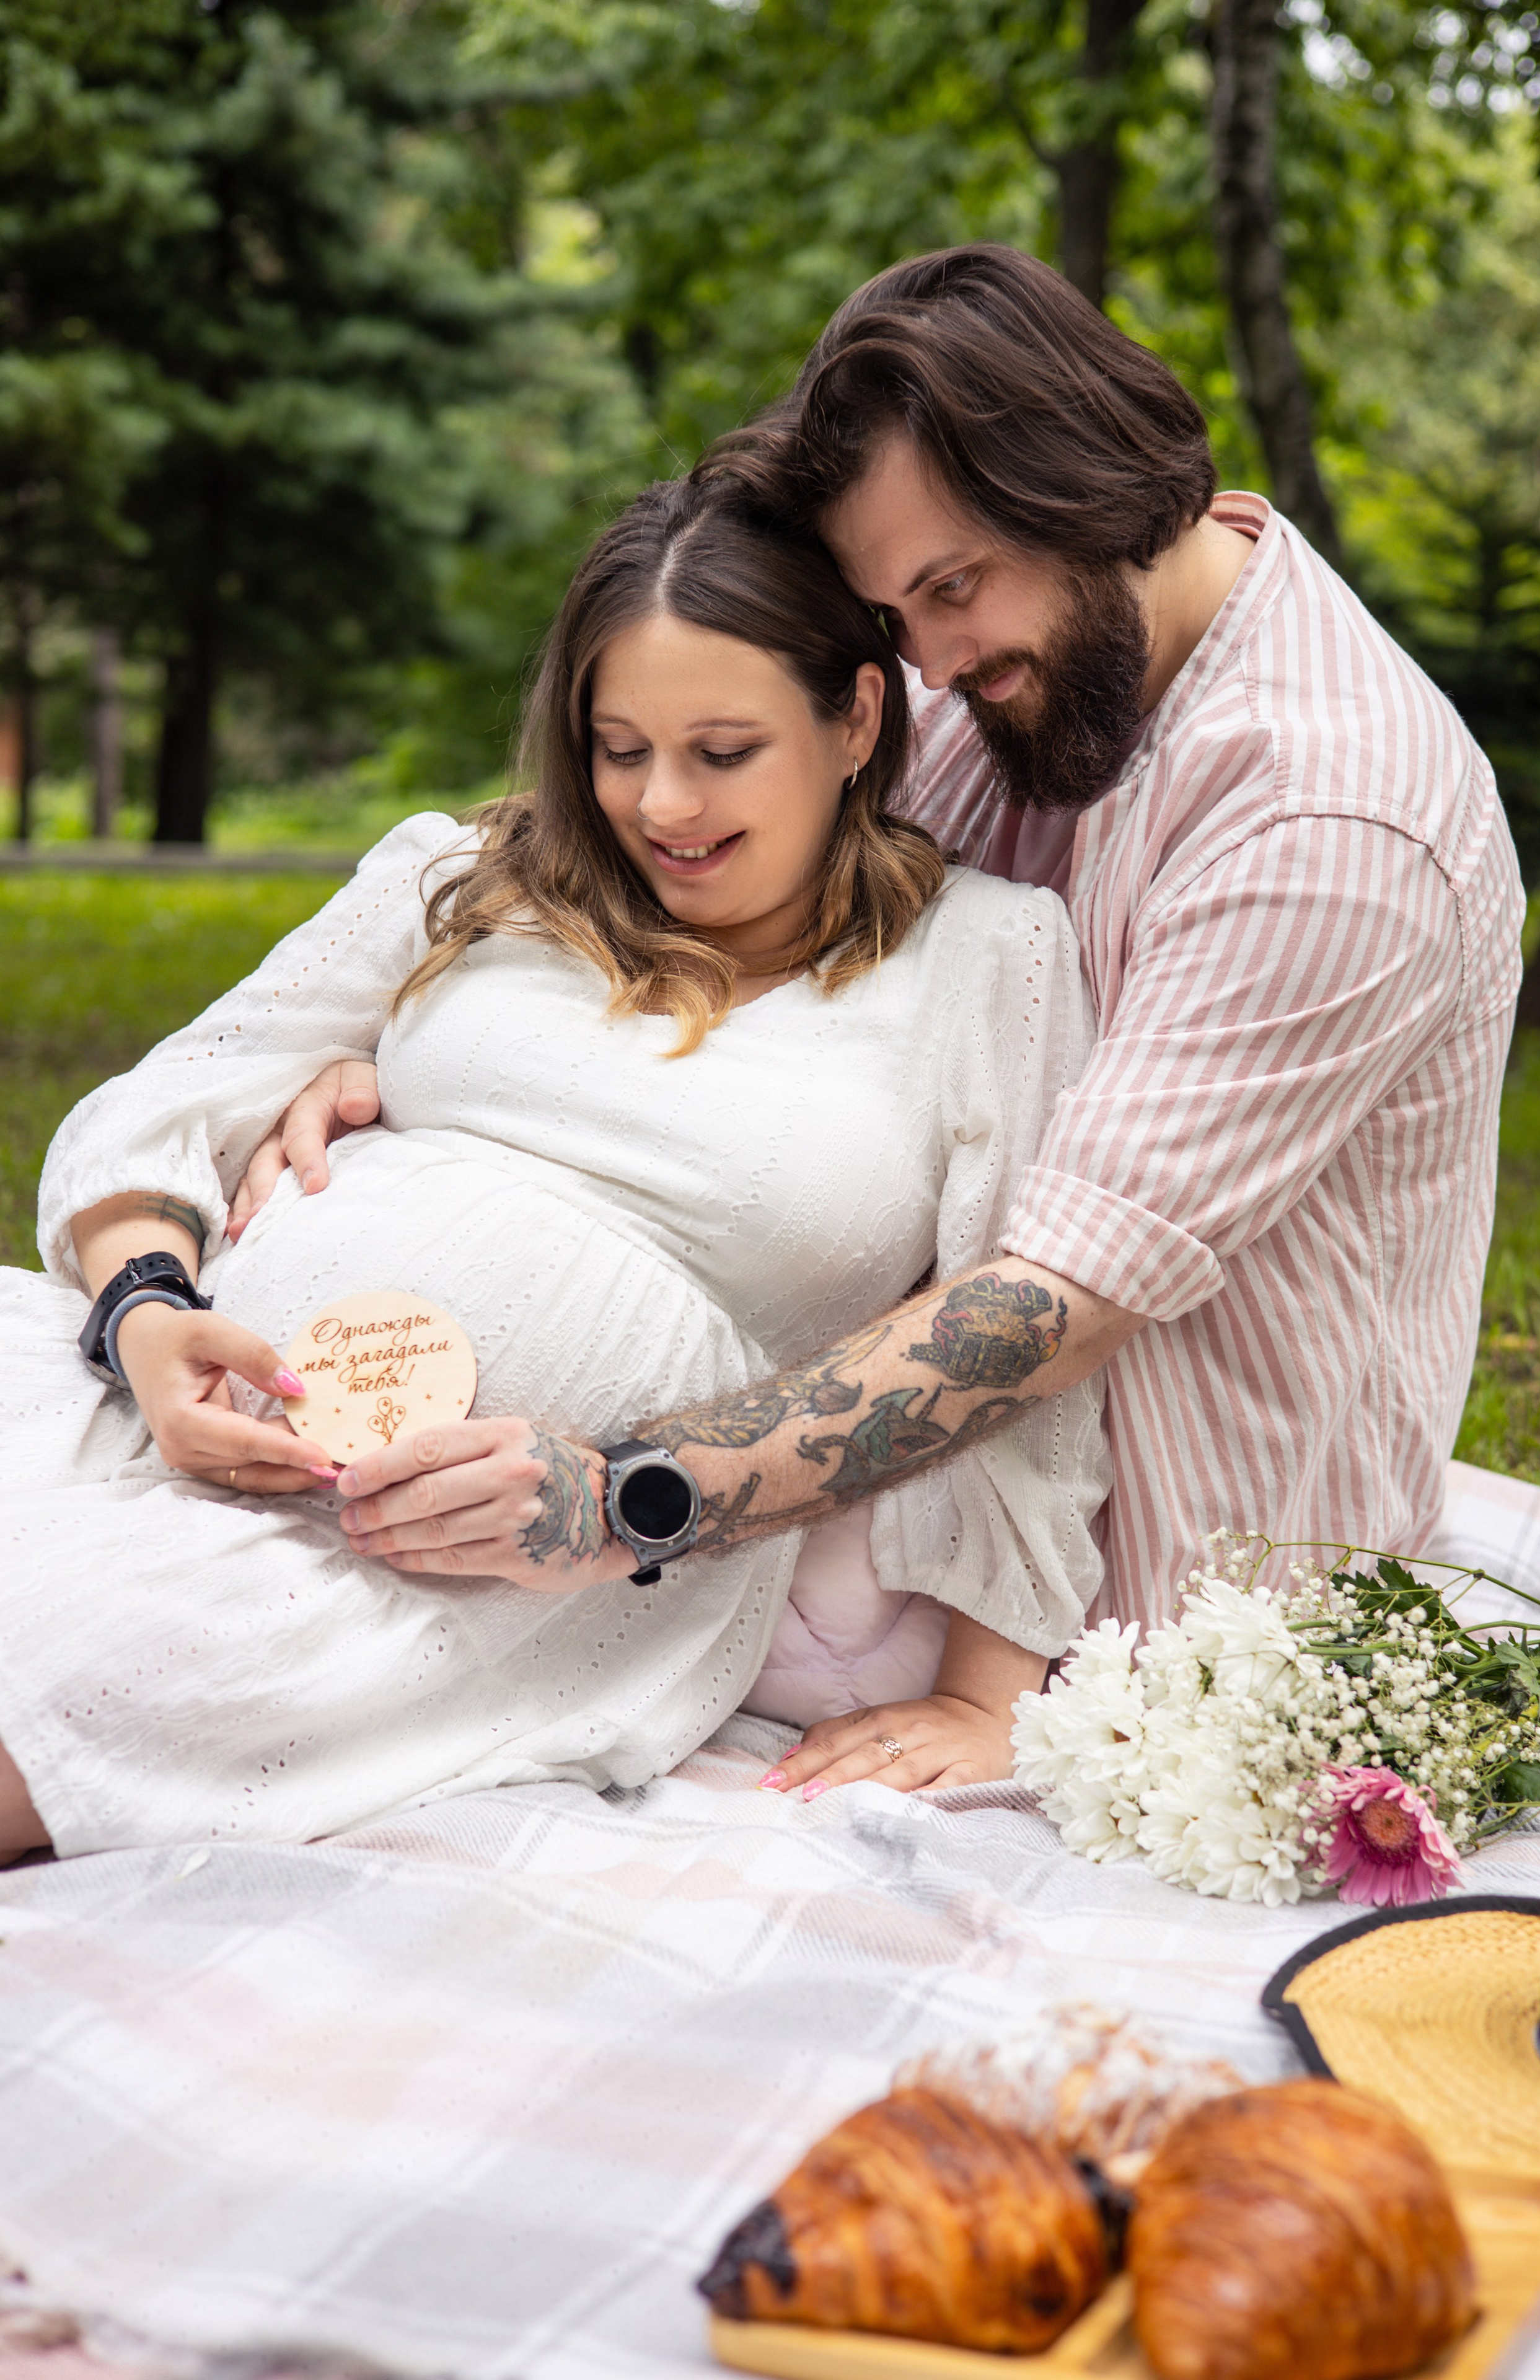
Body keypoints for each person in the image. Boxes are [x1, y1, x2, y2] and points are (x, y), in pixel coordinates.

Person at [247, 244, 1523, 1759]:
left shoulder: (1324, 822)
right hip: (866, 1548)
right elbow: (680, 808)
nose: (925, 660)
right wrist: (385, 1036)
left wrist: (615, 1499)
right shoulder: (1007, 662)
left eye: (951, 591)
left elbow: (1044, 1307)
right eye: (890, 614)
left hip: (1171, 1603)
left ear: (1101, 489)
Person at [0, 475, 1109, 1862]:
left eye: (722, 749)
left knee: (62, 1690)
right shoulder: (470, 875)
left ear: (855, 720)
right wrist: (144, 1318)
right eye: (617, 746)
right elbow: (178, 1092)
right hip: (141, 1403)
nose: (661, 805)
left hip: (475, 1565)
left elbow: (1029, 1337)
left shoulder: (987, 961)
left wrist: (986, 1698)